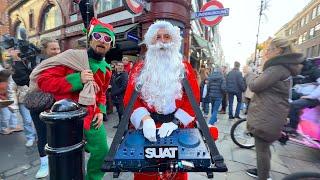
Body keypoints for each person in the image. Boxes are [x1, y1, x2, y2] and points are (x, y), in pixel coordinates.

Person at [33, 17, 113, 180]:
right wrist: (78, 79)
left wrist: (101, 111)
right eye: (97, 36)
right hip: (66, 119)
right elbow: (43, 82)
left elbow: (102, 93)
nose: (102, 41)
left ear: (111, 45)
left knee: (102, 151)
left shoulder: (106, 68)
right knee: (67, 161)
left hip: (91, 117)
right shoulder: (71, 58)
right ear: (90, 39)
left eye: (107, 39)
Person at [123, 20, 200, 180]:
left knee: (175, 174)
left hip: (176, 130)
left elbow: (193, 99)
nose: (162, 41)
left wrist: (176, 122)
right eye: (157, 37)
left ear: (174, 41)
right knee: (146, 172)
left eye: (166, 37)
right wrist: (145, 120)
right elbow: (130, 99)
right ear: (151, 41)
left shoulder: (184, 67)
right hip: (146, 130)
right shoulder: (140, 68)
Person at [245, 37, 305, 180]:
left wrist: (249, 73)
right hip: (272, 114)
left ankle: (263, 175)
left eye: (269, 49)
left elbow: (255, 86)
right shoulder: (282, 68)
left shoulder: (277, 68)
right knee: (264, 148)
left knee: (262, 150)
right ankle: (262, 171)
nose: (266, 52)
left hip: (268, 116)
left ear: (278, 50)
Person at [9, 38, 61, 179]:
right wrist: (17, 61)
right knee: (43, 134)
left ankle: (59, 161)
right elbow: (22, 79)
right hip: (40, 104)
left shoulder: (62, 61)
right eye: (53, 49)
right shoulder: (35, 62)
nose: (57, 51)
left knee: (61, 135)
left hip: (59, 104)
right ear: (44, 50)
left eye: (58, 48)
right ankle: (44, 163)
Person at [110, 61, 128, 128]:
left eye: (122, 66)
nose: (120, 67)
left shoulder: (124, 75)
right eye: (119, 65)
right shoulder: (114, 74)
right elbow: (113, 83)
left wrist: (114, 93)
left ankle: (123, 127)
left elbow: (124, 87)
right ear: (116, 66)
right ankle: (120, 124)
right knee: (119, 112)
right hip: (115, 97)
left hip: (121, 97)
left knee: (121, 112)